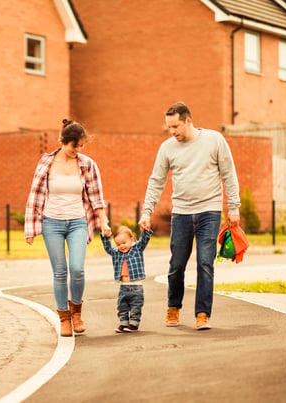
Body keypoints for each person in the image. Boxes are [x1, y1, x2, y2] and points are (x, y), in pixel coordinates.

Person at [138, 101, 240, 330]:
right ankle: (173, 307)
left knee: (205, 263)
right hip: (181, 213)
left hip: (209, 211)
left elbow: (229, 175)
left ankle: (202, 314)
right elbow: (156, 181)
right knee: (176, 264)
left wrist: (233, 207)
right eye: (169, 128)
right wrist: (147, 211)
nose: (172, 132)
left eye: (176, 126)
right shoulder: (167, 148)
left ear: (188, 121)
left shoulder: (214, 140)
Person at [25, 118, 111, 337]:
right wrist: (31, 227)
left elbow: (96, 197)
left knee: (77, 270)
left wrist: (104, 221)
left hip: (77, 222)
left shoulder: (87, 164)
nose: (78, 150)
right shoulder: (46, 162)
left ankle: (77, 313)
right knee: (60, 272)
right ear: (63, 141)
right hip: (51, 222)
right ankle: (64, 317)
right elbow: (35, 194)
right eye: (75, 145)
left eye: (81, 145)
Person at [101, 226, 152, 333]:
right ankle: (123, 323)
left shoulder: (137, 249)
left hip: (136, 287)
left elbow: (144, 240)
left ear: (132, 240)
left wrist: (146, 230)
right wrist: (105, 237)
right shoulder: (116, 253)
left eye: (124, 242)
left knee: (135, 306)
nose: (122, 246)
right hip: (123, 287)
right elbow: (108, 248)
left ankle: (133, 324)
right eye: (118, 244)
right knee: (122, 306)